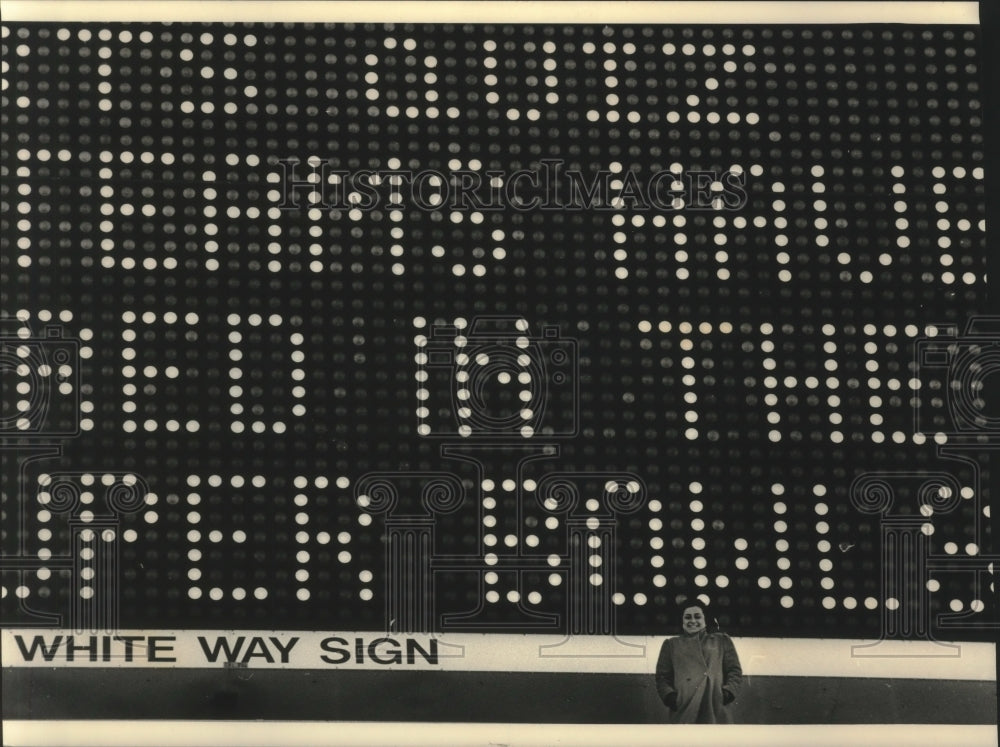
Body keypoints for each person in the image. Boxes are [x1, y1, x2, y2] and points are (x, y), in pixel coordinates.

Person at [654, 601, 743, 723]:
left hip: (714, 704)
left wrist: (727, 693)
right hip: (685, 706)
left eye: (697, 616)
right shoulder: (671, 644)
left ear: (705, 619)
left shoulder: (721, 640)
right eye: (687, 617)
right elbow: (662, 677)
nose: (692, 621)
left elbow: (734, 671)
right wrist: (671, 698)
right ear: (682, 620)